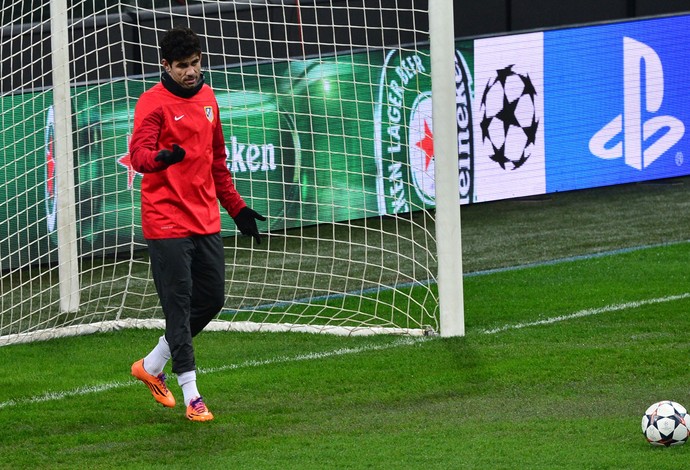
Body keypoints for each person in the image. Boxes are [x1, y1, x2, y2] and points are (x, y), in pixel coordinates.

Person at [128, 26, 265, 422]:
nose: (191, 72)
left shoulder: (208, 98)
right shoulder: (152, 104)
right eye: (182, 66)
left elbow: (217, 161)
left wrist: (236, 208)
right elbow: (139, 155)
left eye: (195, 63)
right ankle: (192, 395)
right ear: (165, 65)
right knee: (179, 304)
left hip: (204, 217)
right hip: (165, 220)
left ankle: (152, 364)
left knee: (213, 298)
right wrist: (160, 159)